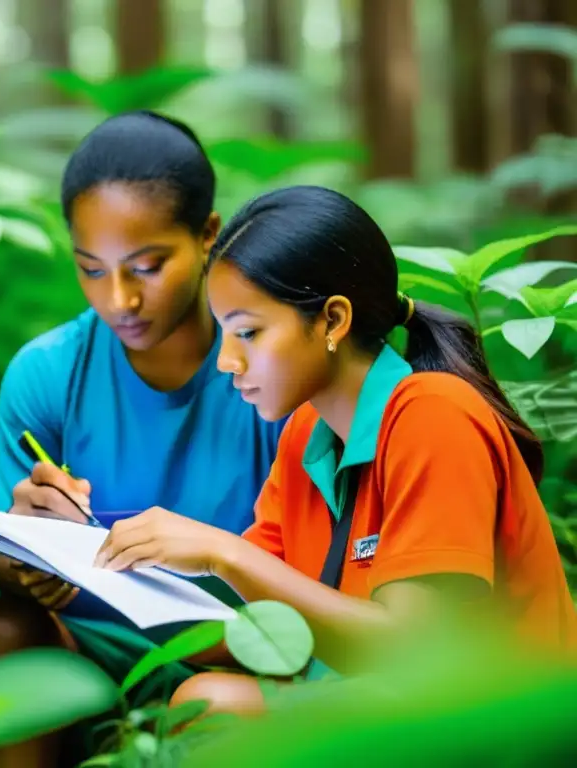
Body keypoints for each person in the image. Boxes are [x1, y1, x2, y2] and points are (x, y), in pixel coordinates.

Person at [93, 184, 577, 716]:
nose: (226, 361)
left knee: (212, 706)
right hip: (375, 705)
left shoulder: (435, 413)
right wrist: (99, 572)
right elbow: (270, 627)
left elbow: (417, 654)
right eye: (224, 334)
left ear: (333, 320)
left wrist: (223, 553)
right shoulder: (306, 432)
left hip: (497, 722)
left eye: (248, 332)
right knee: (201, 700)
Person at [0, 111, 286, 767]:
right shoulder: (49, 372)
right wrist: (28, 548)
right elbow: (1, 566)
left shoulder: (269, 370)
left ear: (208, 235)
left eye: (146, 266)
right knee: (2, 629)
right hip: (96, 648)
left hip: (248, 650)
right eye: (91, 268)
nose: (118, 300)